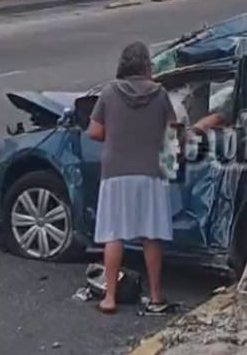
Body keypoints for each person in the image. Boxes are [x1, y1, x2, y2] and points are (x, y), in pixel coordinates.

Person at [88, 41, 178, 315]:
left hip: (116, 172)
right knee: (151, 236)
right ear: (146, 67)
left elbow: (94, 131)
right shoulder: (160, 94)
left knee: (114, 235)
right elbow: (173, 132)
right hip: (151, 172)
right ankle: (156, 296)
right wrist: (170, 163)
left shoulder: (109, 92)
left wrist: (116, 134)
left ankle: (110, 298)